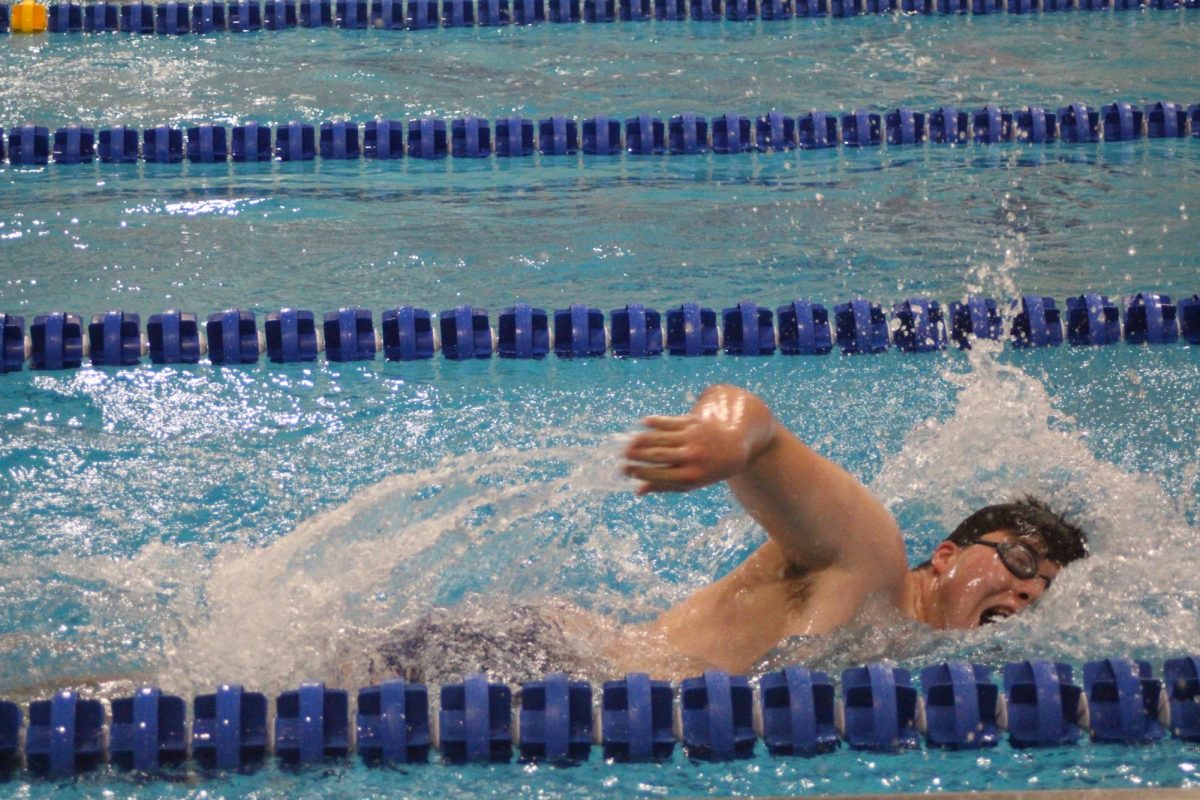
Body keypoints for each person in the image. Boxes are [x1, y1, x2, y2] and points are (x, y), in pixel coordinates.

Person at [621, 383, 1088, 675]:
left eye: (1044, 588)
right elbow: (754, 421)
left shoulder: (901, 648)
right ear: (947, 556)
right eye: (1021, 560)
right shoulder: (871, 558)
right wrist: (723, 438)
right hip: (574, 669)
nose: (1029, 591)